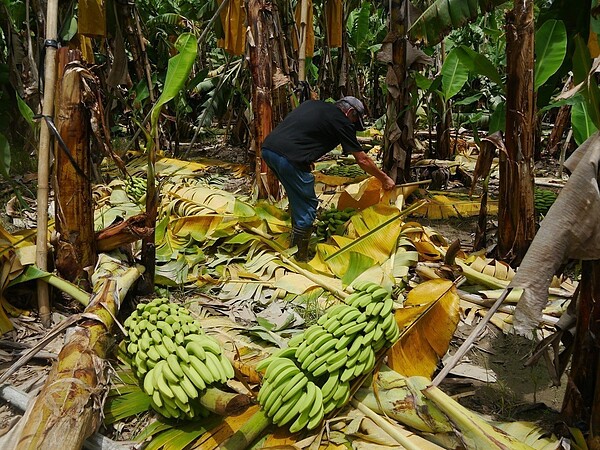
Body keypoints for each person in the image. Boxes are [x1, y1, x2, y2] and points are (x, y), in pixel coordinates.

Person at [261, 96, 396, 261]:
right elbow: (362, 159)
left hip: (269, 150)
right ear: (350, 112)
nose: (353, 124)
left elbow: (303, 131)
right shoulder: (341, 121)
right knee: (308, 206)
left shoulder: (312, 104)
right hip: (289, 159)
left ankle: (296, 244)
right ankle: (299, 257)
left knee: (298, 198)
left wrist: (306, 156)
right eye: (354, 119)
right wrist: (385, 179)